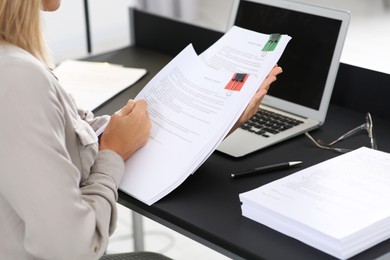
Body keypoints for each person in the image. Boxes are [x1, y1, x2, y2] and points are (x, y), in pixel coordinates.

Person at [0, 0, 282, 259]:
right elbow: (73, 248)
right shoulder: (16, 78)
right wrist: (114, 152)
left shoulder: (16, 62)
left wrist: (221, 120)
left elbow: (74, 140)